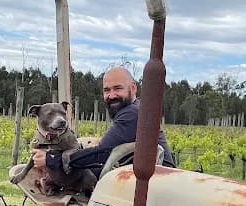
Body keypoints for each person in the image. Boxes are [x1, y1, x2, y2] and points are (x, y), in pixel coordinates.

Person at [31, 67, 174, 177]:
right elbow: (108, 148)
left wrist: (51, 159)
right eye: (107, 90)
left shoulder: (133, 113)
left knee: (78, 176)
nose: (111, 95)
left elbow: (101, 153)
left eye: (118, 88)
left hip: (155, 177)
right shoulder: (136, 109)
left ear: (133, 88)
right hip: (145, 172)